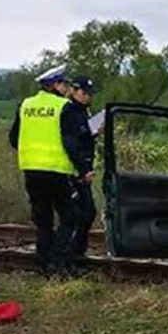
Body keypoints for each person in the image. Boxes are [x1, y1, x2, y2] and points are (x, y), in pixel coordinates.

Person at [9, 65, 78, 274]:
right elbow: (71, 143)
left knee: (43, 219)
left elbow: (14, 139)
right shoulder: (64, 106)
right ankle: (57, 263)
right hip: (57, 171)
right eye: (64, 84)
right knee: (69, 217)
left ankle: (43, 261)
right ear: (55, 85)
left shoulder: (25, 105)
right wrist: (82, 169)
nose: (67, 88)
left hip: (31, 170)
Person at [56, 74, 98, 274]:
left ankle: (76, 257)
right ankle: (68, 261)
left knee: (87, 213)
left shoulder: (82, 112)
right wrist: (84, 170)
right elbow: (71, 144)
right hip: (74, 174)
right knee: (77, 216)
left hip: (81, 171)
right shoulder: (71, 112)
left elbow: (83, 139)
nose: (87, 96)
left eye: (89, 94)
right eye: (84, 93)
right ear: (74, 91)